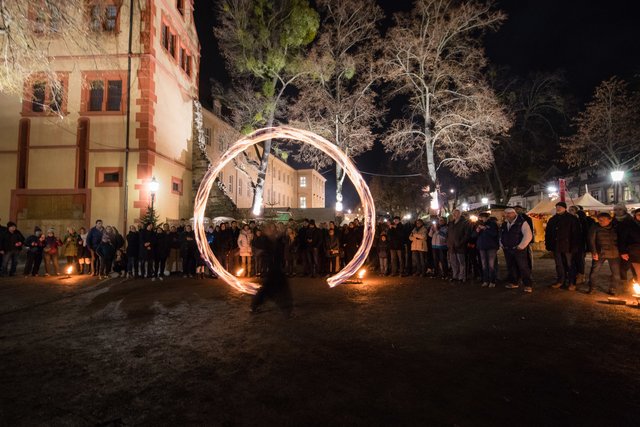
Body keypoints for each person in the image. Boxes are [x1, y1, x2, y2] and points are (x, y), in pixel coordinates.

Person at [250, 226, 293, 317]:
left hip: (276, 270)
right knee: (272, 290)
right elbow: (265, 251)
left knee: (272, 290)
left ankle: (287, 310)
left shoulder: (276, 241)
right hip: (273, 270)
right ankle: (287, 310)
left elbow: (281, 246)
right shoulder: (267, 242)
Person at [546, 202, 582, 291]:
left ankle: (571, 282)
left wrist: (575, 246)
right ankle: (560, 280)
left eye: (560, 207)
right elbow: (548, 233)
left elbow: (576, 233)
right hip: (556, 246)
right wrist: (548, 245)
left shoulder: (572, 219)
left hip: (568, 246)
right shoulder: (553, 219)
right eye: (557, 207)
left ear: (565, 208)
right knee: (559, 265)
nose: (558, 208)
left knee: (570, 265)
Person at [587, 213, 622, 295]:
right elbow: (591, 240)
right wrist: (594, 252)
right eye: (599, 220)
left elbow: (622, 239)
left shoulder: (616, 227)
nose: (600, 222)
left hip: (614, 253)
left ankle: (613, 289)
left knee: (616, 274)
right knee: (594, 271)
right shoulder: (595, 227)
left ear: (610, 220)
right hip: (600, 253)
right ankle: (592, 287)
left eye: (603, 220)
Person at [501, 208, 534, 292]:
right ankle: (514, 282)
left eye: (509, 214)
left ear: (514, 214)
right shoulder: (505, 223)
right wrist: (502, 244)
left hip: (519, 249)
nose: (507, 215)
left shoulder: (522, 223)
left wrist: (521, 246)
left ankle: (528, 284)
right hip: (508, 249)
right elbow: (501, 235)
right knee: (511, 267)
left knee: (523, 267)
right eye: (506, 214)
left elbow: (528, 235)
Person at [474, 212, 499, 288]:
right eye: (480, 217)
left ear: (487, 217)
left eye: (483, 217)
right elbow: (473, 236)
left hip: (491, 247)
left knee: (491, 265)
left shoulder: (492, 224)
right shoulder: (478, 224)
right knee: (484, 265)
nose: (481, 219)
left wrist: (485, 229)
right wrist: (477, 231)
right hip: (482, 247)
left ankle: (492, 281)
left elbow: (494, 234)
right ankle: (485, 280)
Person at [447, 209, 471, 283]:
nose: (454, 215)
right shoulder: (451, 223)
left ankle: (461, 277)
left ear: (460, 214)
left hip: (460, 246)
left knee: (461, 263)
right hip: (452, 246)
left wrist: (460, 243)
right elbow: (448, 234)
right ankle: (455, 276)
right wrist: (448, 243)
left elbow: (466, 235)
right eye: (453, 213)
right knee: (453, 263)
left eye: (456, 213)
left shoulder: (465, 223)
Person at [618, 208, 640, 285]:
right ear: (635, 215)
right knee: (633, 269)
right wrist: (623, 252)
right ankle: (624, 282)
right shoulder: (629, 225)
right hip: (633, 251)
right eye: (639, 214)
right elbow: (622, 239)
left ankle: (635, 282)